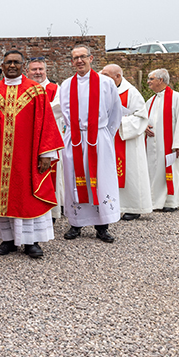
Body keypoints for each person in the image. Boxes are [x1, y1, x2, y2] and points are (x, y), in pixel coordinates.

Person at [0, 50, 63, 259]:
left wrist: (46, 153)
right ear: (2, 65)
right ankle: (7, 239)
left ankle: (31, 241)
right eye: (8, 62)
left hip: (27, 156)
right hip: (0, 157)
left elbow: (46, 123)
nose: (12, 66)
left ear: (23, 66)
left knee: (27, 195)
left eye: (16, 62)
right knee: (2, 195)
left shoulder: (35, 91)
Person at [58, 45, 121, 242]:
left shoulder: (105, 83)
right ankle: (76, 223)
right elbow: (61, 114)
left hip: (98, 137)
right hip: (75, 139)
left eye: (82, 57)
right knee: (74, 178)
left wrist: (104, 136)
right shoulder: (66, 85)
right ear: (71, 62)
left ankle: (102, 226)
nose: (79, 61)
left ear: (91, 58)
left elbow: (115, 112)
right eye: (75, 58)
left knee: (101, 179)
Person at [100, 64, 153, 220]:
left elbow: (141, 117)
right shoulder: (101, 90)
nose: (103, 78)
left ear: (118, 77)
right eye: (101, 74)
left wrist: (119, 122)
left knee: (131, 174)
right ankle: (110, 205)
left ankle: (133, 206)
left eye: (107, 75)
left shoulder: (131, 93)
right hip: (107, 138)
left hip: (126, 141)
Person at [145, 68, 179, 212]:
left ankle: (171, 202)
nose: (148, 82)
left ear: (161, 80)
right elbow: (144, 120)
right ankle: (154, 201)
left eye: (151, 79)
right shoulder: (150, 101)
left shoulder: (178, 98)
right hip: (153, 146)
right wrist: (144, 127)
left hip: (170, 145)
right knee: (154, 172)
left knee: (172, 170)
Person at [27, 55, 65, 219]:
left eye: (40, 69)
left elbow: (58, 108)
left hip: (50, 137)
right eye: (34, 69)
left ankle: (52, 211)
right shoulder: (24, 88)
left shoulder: (55, 89)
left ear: (46, 70)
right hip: (27, 139)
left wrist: (30, 111)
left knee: (52, 174)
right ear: (27, 71)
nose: (37, 72)